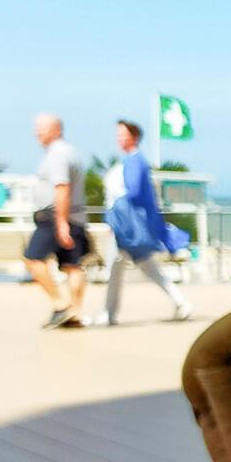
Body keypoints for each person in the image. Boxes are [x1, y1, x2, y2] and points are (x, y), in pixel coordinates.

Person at [96, 120, 193, 325]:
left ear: (134, 137)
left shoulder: (135, 162)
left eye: (123, 134)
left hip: (126, 228)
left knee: (118, 268)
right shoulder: (132, 162)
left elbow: (134, 195)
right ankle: (180, 302)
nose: (119, 138)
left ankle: (108, 314)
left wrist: (115, 220)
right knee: (144, 268)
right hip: (127, 227)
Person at [23, 113, 88, 329]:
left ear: (57, 130)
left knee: (33, 258)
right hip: (75, 216)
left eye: (42, 128)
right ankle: (75, 312)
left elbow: (62, 188)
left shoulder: (57, 154)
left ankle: (61, 305)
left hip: (55, 217)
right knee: (72, 265)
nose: (37, 132)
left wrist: (61, 223)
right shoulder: (71, 152)